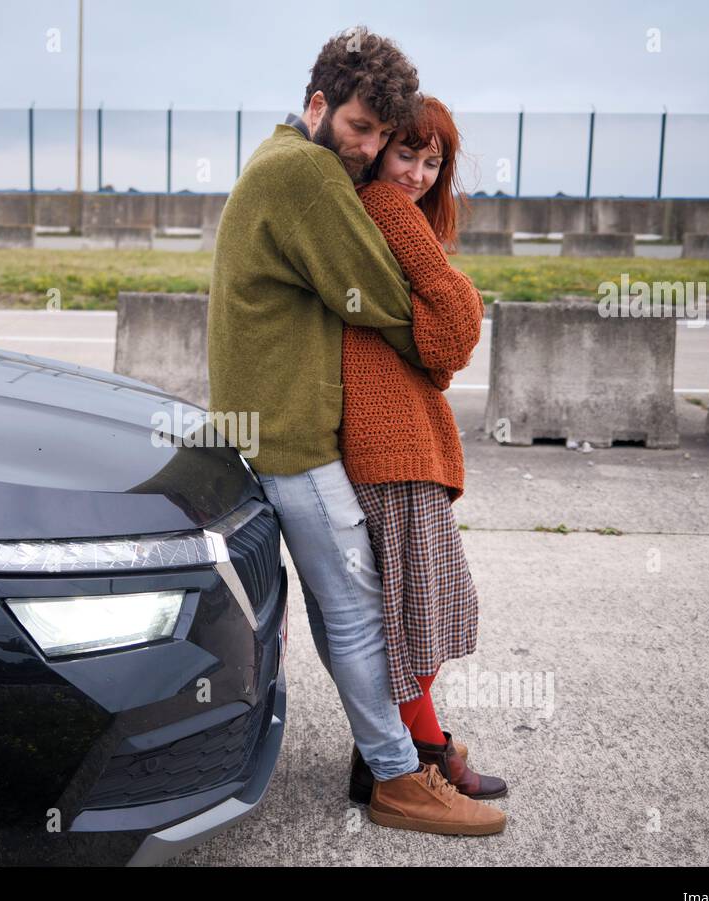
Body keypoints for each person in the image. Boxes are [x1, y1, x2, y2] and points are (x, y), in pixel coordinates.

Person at [207, 28, 504, 836]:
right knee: (360, 612)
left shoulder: (280, 156)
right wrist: (440, 340)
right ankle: (400, 781)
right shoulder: (305, 173)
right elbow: (384, 299)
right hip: (294, 439)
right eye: (361, 129)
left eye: (383, 135)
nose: (370, 151)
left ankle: (397, 759)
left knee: (349, 608)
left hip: (276, 427)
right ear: (317, 106)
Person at [340, 95, 509, 823]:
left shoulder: (380, 208)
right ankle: (419, 755)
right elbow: (451, 333)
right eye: (406, 153)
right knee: (417, 611)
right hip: (392, 443)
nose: (416, 173)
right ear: (379, 151)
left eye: (432, 161)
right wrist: (453, 307)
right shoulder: (383, 203)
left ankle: (407, 745)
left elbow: (436, 342)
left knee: (422, 606)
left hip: (399, 437)